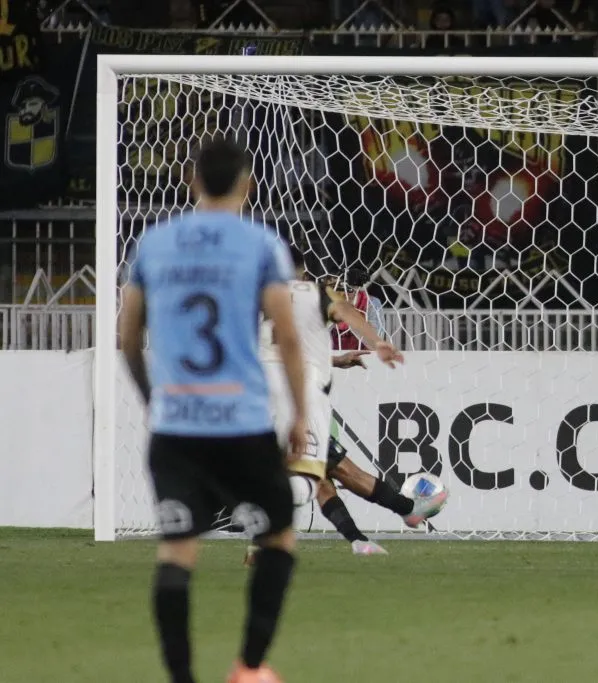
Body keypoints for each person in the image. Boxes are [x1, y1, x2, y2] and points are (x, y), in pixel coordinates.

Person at [119, 137, 306, 683]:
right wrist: (300, 415)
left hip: (176, 427)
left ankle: (181, 678)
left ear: (191, 180)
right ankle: (249, 667)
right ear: (247, 184)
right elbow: (289, 338)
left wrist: (154, 399)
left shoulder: (154, 244)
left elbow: (128, 336)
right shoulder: (260, 244)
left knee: (177, 550)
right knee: (277, 537)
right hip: (242, 423)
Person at [255, 249, 445, 559]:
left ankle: (357, 540)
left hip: (260, 399)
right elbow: (344, 310)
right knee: (332, 473)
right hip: (299, 397)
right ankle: (409, 509)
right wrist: (378, 343)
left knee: (322, 476)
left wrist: (336, 359)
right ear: (302, 272)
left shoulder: (256, 298)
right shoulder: (310, 293)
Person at [330, 266, 386, 351]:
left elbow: (376, 343)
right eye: (340, 287)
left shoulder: (371, 303)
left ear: (357, 288)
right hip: (334, 357)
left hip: (366, 356)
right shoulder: (331, 302)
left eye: (349, 288)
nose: (344, 292)